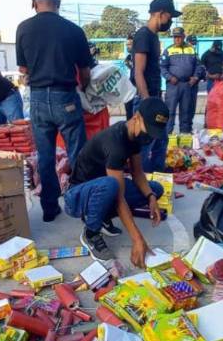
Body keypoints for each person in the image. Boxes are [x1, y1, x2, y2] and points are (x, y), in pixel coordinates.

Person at [15, 0, 92, 222]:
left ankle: (50, 209)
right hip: (65, 96)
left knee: (46, 155)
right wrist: (83, 88)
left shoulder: (23, 29)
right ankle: (82, 205)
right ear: (57, 2)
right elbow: (85, 71)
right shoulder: (73, 30)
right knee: (78, 152)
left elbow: (23, 68)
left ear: (33, 2)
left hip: (37, 97)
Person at [65, 97, 167, 266]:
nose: (149, 137)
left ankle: (103, 215)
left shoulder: (134, 137)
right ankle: (90, 233)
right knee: (111, 185)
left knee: (155, 188)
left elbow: (138, 173)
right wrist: (138, 240)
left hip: (101, 188)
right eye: (148, 130)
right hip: (77, 197)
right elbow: (119, 199)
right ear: (136, 117)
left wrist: (151, 197)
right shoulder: (115, 143)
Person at [134, 0, 180, 173]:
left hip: (154, 95)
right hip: (145, 98)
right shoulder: (143, 35)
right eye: (170, 16)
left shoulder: (153, 36)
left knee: (161, 136)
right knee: (144, 141)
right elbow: (138, 71)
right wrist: (146, 102)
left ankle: (158, 172)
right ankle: (144, 179)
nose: (171, 21)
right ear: (160, 13)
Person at [161, 27, 201, 135]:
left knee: (186, 110)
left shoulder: (191, 49)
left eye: (179, 37)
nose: (177, 39)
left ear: (183, 37)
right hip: (173, 85)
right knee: (170, 110)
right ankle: (167, 133)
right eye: (175, 37)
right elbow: (162, 68)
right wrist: (170, 77)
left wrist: (195, 77)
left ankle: (185, 133)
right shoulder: (168, 50)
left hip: (188, 85)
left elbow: (198, 66)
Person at [185, 34, 200, 125]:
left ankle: (189, 125)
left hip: (194, 83)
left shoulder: (194, 53)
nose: (193, 45)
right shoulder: (181, 52)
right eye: (191, 43)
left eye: (194, 43)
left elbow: (200, 67)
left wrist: (196, 77)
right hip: (184, 83)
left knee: (192, 106)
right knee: (185, 106)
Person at [124, 33, 135, 120]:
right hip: (127, 89)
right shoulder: (128, 57)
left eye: (130, 44)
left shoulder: (138, 57)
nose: (128, 46)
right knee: (128, 112)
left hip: (135, 89)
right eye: (127, 44)